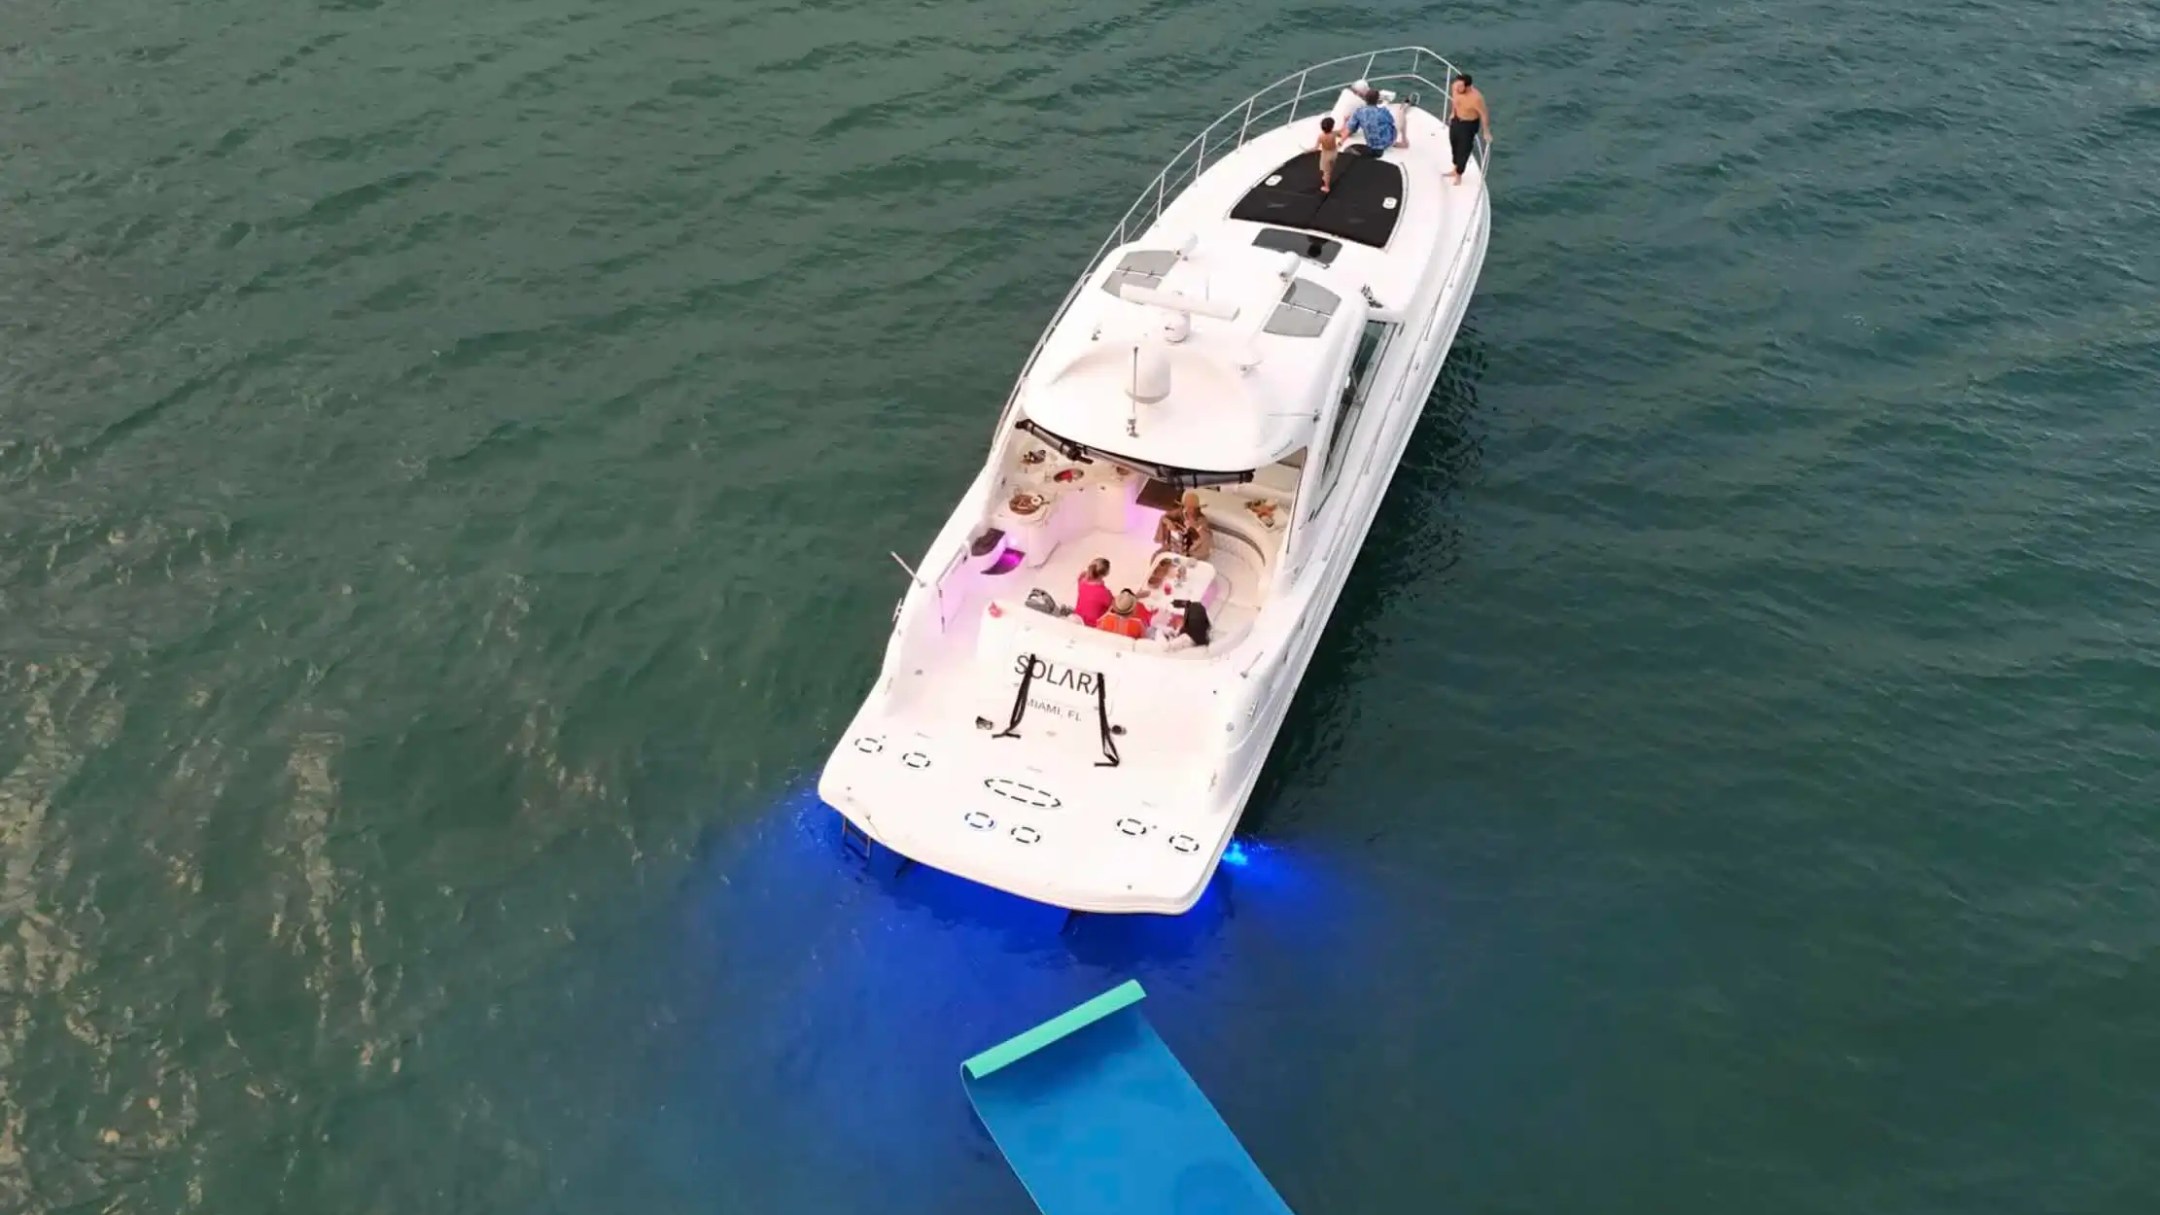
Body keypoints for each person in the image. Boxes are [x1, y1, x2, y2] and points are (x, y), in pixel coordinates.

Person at [1447, 73, 1491, 186]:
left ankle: (1459, 174)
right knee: (1454, 143)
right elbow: (1455, 101)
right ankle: (1455, 168)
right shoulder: (1455, 87)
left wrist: (1486, 131)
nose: (1457, 88)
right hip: (1457, 119)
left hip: (1469, 124)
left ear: (1468, 87)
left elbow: (1484, 114)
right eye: (1457, 85)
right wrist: (1452, 113)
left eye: (1460, 86)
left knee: (1464, 149)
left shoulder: (1476, 98)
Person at [1340, 86, 1406, 158]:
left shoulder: (1359, 112)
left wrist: (1345, 122)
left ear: (1365, 99)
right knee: (1400, 115)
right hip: (1387, 142)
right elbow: (1391, 122)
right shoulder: (1383, 112)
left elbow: (1351, 128)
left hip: (1371, 144)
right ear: (1377, 100)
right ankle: (1403, 141)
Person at [1154, 491, 1214, 560]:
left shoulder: (1202, 519)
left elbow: (1207, 537)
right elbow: (1164, 517)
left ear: (1197, 509)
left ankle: (1187, 555)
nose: (1188, 510)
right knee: (1156, 556)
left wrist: (1195, 526)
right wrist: (1169, 523)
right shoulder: (1181, 512)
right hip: (1179, 542)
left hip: (1193, 546)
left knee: (1204, 543)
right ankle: (1167, 546)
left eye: (1192, 508)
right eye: (1187, 507)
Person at [1074, 557, 1113, 625]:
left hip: (1077, 619)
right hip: (1091, 626)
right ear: (1106, 573)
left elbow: (1082, 575)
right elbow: (1114, 606)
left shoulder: (1082, 582)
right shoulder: (1105, 593)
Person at [1315, 116, 1341, 193]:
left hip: (1326, 155)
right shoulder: (1333, 133)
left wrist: (1307, 151)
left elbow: (1316, 147)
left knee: (1326, 172)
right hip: (1334, 153)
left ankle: (1326, 187)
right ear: (1332, 127)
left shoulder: (1321, 136)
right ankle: (1327, 176)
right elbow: (1340, 134)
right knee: (1330, 166)